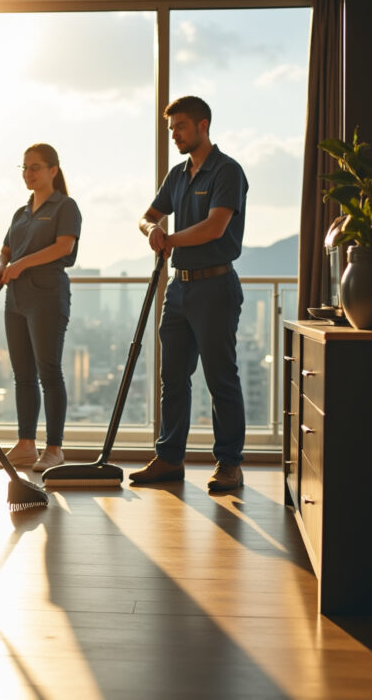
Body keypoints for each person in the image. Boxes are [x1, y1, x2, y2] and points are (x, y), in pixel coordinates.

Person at [129, 96, 248, 491]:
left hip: (216, 286)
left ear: (203, 125)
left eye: (180, 126)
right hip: (179, 287)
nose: (174, 135)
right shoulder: (177, 175)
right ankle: (169, 459)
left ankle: (229, 463)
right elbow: (147, 217)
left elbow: (215, 227)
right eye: (170, 129)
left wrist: (171, 238)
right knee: (173, 377)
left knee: (220, 377)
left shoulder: (227, 172)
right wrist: (153, 232)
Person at [0, 144, 82, 472]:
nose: (28, 174)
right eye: (25, 168)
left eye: (36, 167)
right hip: (15, 298)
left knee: (49, 371)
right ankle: (26, 444)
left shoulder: (65, 207)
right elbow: (5, 250)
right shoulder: (21, 212)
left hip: (47, 297)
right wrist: (1, 266)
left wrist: (21, 264)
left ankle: (54, 448)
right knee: (22, 374)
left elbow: (63, 247)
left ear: (53, 171)